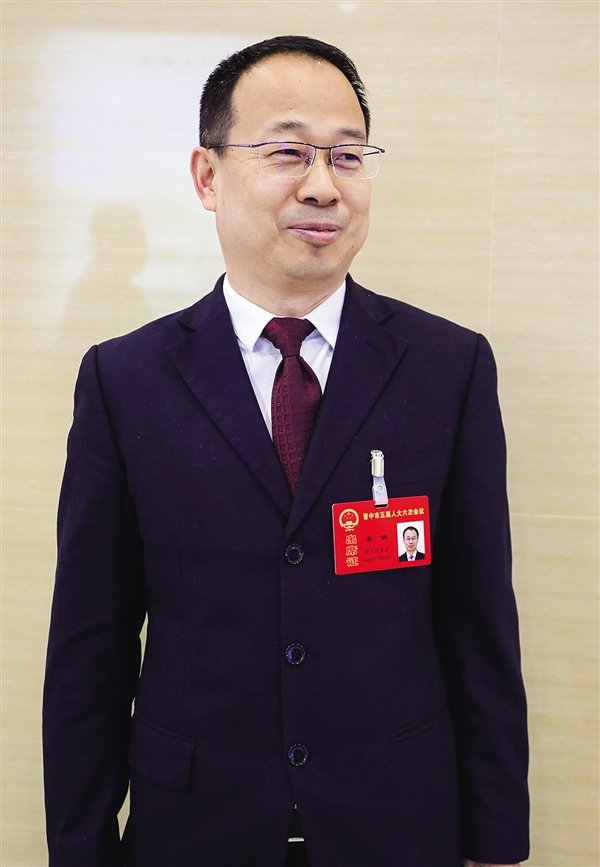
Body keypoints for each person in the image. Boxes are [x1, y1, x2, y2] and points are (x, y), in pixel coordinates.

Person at [43, 35, 529, 867]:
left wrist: (497, 843)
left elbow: (480, 627)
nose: (323, 185)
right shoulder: (124, 381)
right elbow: (91, 647)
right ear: (207, 176)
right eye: (288, 152)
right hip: (194, 832)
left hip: (400, 828)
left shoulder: (448, 368)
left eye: (347, 156)